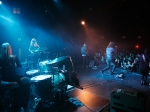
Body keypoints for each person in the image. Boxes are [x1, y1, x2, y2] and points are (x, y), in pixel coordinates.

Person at [0, 43, 30, 112]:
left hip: (3, 80)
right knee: (28, 81)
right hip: (14, 79)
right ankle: (24, 104)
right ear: (10, 49)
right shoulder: (14, 57)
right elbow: (19, 69)